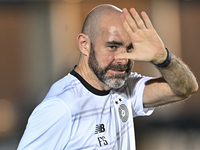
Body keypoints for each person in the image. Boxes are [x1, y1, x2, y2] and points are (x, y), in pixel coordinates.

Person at [17, 4, 198, 150]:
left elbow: (185, 88)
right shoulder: (60, 107)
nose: (122, 58)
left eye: (129, 48)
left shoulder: (126, 88)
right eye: (112, 47)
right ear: (84, 44)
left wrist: (164, 59)